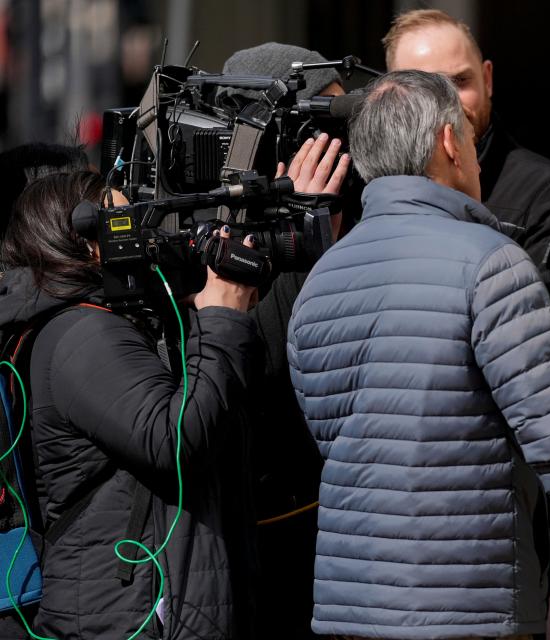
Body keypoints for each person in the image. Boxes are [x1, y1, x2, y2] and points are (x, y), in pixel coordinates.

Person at [288, 69, 550, 639]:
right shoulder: (491, 262)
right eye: (468, 139)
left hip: (352, 606)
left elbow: (334, 440)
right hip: (471, 601)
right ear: (449, 142)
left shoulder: (320, 279)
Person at [0, 171, 262, 638]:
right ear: (83, 242)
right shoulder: (83, 335)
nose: (143, 235)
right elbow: (176, 439)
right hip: (127, 610)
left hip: (131, 602)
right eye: (124, 221)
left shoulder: (94, 325)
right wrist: (222, 318)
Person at [219, 41, 353, 640]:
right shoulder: (215, 225)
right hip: (272, 526)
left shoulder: (362, 205)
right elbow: (274, 360)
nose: (344, 139)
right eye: (325, 120)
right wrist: (296, 234)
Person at [383, 9, 550, 308]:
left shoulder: (548, 193)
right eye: (426, 86)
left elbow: (549, 330)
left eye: (460, 80)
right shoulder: (372, 193)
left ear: (487, 79)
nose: (450, 101)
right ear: (391, 96)